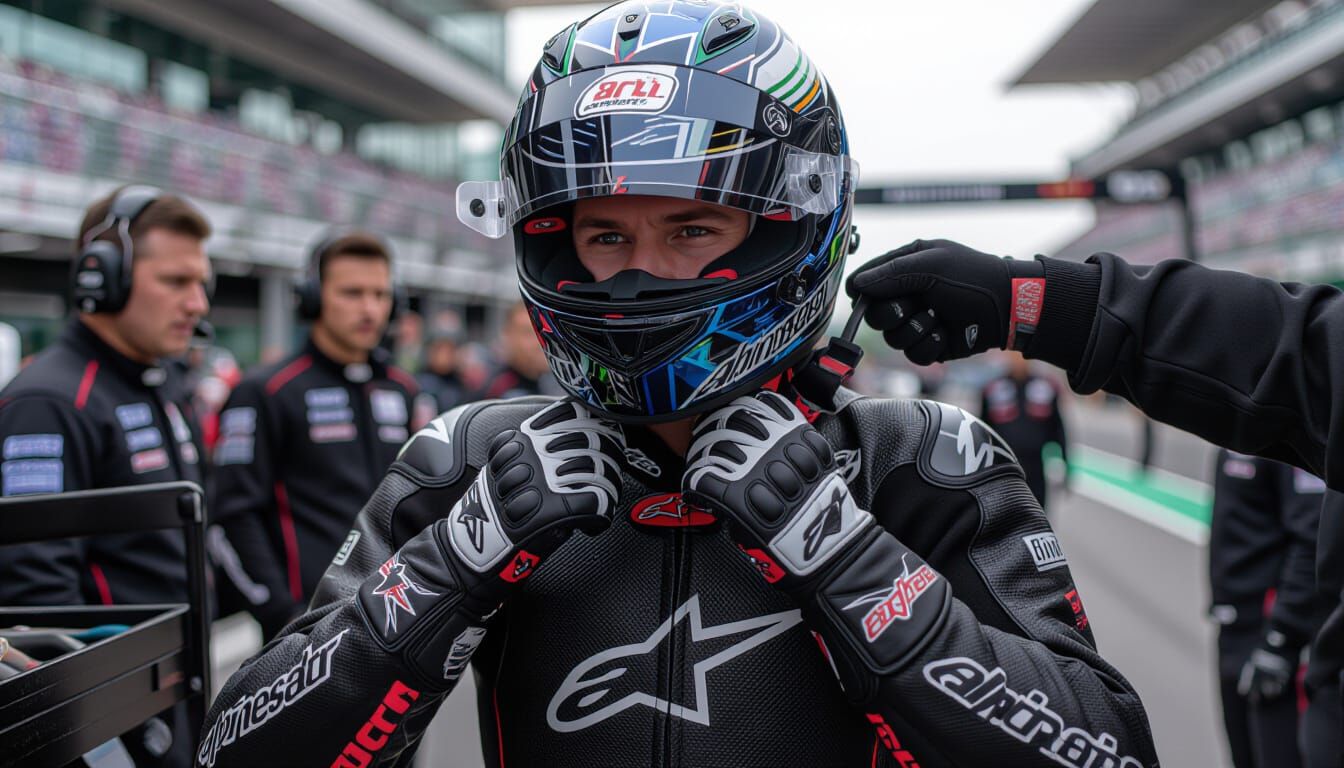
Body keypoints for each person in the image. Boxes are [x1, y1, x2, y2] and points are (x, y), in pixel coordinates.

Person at [195, 5, 1158, 767]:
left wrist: (844, 555)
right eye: (604, 236)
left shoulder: (918, 460)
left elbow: (1104, 750)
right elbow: (239, 750)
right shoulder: (469, 463)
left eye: (692, 230)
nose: (639, 274)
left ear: (789, 227)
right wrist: (453, 565)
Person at [844, 237, 1344, 767]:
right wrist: (1027, 299)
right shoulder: (990, 395)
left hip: (1279, 642)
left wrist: (1284, 635)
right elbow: (1300, 354)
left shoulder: (1041, 393)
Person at [0, 185, 212, 768]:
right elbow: (37, 601)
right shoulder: (49, 400)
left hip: (175, 691)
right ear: (104, 274)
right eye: (175, 281)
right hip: (115, 722)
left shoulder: (161, 383)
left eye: (202, 283)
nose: (197, 303)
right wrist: (105, 743)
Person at [209, 231, 427, 639]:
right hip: (303, 632)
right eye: (352, 293)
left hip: (394, 623)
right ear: (312, 296)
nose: (370, 309)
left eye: (380, 294)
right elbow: (231, 517)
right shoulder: (265, 392)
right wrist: (280, 615)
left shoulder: (403, 390)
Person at [1209, 450, 1324, 768]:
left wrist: (1281, 639)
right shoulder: (1233, 424)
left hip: (1270, 638)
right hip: (1231, 626)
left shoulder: (1286, 430)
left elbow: (1312, 538)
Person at [979, 351, 1069, 510]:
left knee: (1037, 512)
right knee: (1004, 516)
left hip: (1035, 466)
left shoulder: (1045, 387)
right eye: (1014, 354)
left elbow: (1058, 427)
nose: (1018, 359)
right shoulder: (993, 388)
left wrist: (1064, 463)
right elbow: (981, 430)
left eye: (1022, 354)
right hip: (1003, 467)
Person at [471, 300, 556, 400]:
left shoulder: (554, 383)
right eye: (528, 332)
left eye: (545, 332)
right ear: (507, 335)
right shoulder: (499, 390)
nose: (540, 341)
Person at [415, 323, 468, 413]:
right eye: (440, 349)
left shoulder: (461, 385)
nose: (445, 355)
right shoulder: (418, 384)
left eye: (450, 350)